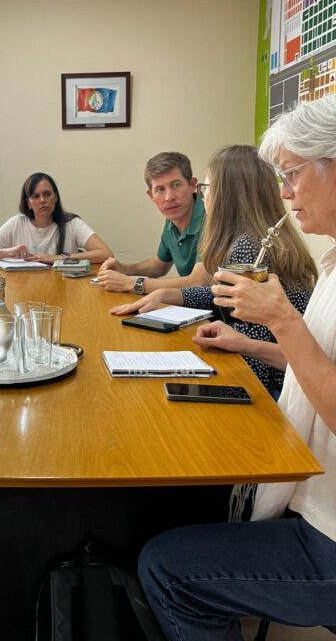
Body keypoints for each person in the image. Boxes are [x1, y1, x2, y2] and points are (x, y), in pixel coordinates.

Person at [137, 96, 336, 639]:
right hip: (313, 498)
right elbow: (313, 365)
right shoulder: (330, 262)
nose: (285, 192)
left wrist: (281, 321)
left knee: (167, 569)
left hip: (327, 528)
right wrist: (248, 341)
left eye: (292, 174)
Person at [111, 145, 317, 398]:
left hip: (278, 388)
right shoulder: (250, 238)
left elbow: (254, 345)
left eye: (207, 188)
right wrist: (170, 294)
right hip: (284, 378)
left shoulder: (248, 247)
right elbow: (227, 295)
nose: (203, 195)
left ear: (228, 195)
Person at [97, 151, 208, 295]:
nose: (168, 197)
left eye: (176, 185)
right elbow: (158, 266)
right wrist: (124, 269)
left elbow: (198, 282)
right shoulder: (172, 219)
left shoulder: (211, 218)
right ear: (151, 195)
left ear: (192, 185)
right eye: (160, 189)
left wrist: (130, 283)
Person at [0, 171, 113, 264]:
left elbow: (106, 254)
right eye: (35, 196)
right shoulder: (16, 224)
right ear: (28, 203)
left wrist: (57, 258)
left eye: (47, 194)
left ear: (55, 197)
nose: (42, 200)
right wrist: (8, 252)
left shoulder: (72, 224)